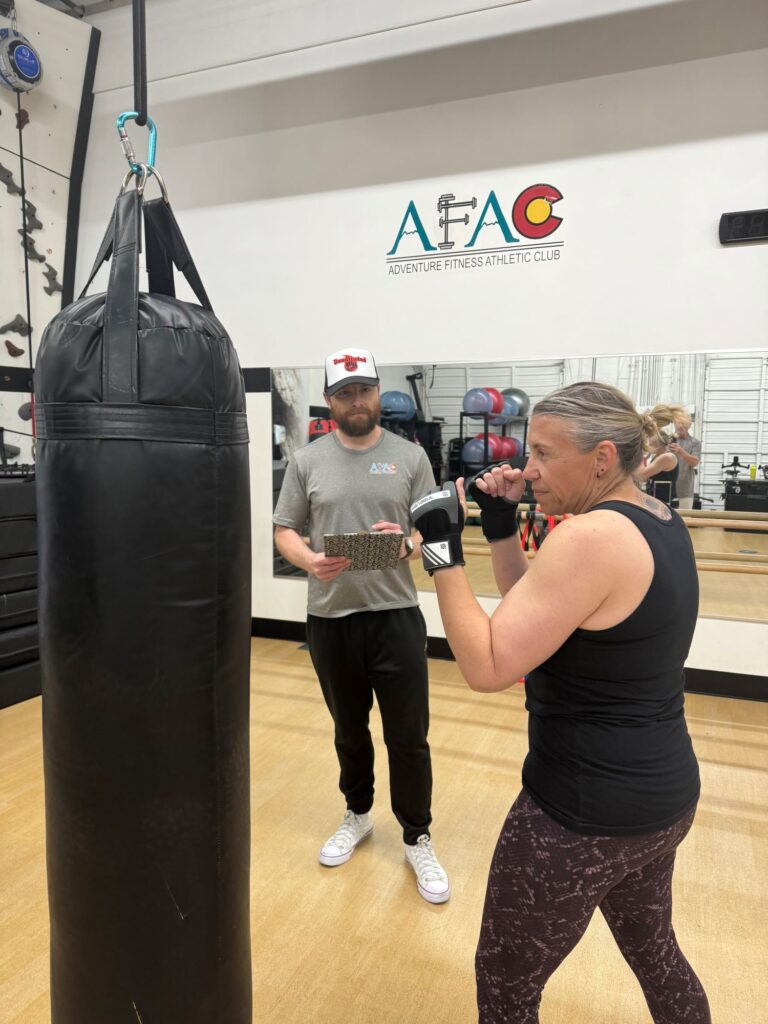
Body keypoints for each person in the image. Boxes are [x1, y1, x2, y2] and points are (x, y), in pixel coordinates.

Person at [410, 382, 710, 1022]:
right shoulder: (656, 517)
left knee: (505, 987)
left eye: (544, 454)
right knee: (657, 954)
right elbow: (540, 618)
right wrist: (499, 529)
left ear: (601, 458)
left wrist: (441, 550)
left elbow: (489, 666)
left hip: (581, 814)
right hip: (661, 798)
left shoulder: (589, 537)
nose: (527, 468)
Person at [273, 347, 451, 904]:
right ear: (330, 401)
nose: (357, 401)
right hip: (330, 618)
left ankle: (417, 835)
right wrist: (308, 561)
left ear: (377, 393)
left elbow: (434, 529)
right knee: (349, 730)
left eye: (365, 390)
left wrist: (407, 542)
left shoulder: (410, 456)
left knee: (407, 736)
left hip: (395, 616)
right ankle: (358, 813)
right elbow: (284, 529)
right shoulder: (308, 460)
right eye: (345, 392)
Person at [668, 412, 702, 509]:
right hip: (667, 487)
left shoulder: (695, 443)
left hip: (685, 490)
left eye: (684, 424)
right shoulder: (667, 440)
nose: (681, 426)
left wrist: (681, 452)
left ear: (689, 426)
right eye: (678, 423)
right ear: (674, 424)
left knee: (685, 519)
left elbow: (695, 462)